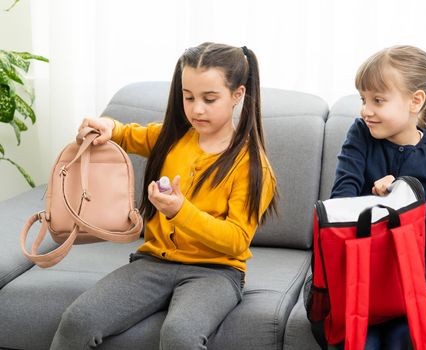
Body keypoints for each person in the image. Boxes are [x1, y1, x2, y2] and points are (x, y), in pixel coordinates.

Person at [50, 42, 277, 350]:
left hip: (215, 273)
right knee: (77, 321)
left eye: (210, 99)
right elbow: (130, 134)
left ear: (237, 95)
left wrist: (180, 211)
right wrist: (108, 126)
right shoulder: (171, 138)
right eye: (189, 97)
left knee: (179, 337)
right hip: (154, 263)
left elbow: (236, 240)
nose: (197, 109)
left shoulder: (252, 166)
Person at [330, 45, 426, 349]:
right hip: (359, 278)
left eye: (378, 100)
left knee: (401, 341)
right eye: (363, 99)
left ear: (415, 101)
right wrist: (376, 200)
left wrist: (408, 200)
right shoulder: (360, 134)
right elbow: (339, 202)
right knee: (359, 342)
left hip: (412, 283)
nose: (366, 110)